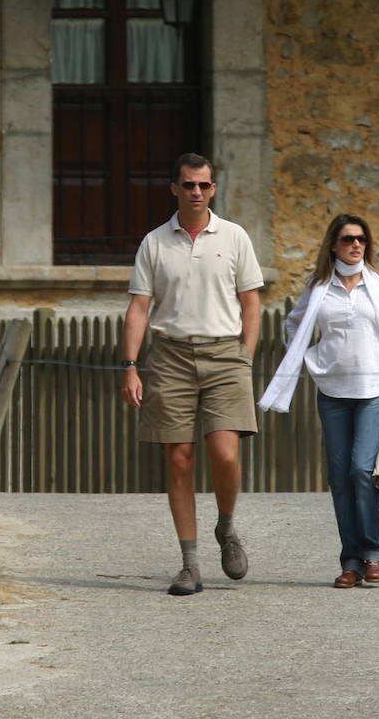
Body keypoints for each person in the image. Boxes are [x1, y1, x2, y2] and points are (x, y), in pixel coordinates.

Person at [121, 152, 264, 597]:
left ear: (213, 189)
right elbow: (139, 308)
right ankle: (189, 565)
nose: (196, 192)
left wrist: (245, 355)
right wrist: (129, 366)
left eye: (204, 185)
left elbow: (252, 304)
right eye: (188, 185)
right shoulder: (154, 242)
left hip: (226, 357)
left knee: (225, 455)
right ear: (175, 189)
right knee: (179, 459)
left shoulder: (235, 237)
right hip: (170, 358)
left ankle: (226, 526)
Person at [259, 214, 379, 588]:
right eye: (347, 239)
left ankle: (374, 553)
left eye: (361, 239)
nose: (355, 245)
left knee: (363, 470)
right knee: (340, 478)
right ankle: (351, 561)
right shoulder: (318, 287)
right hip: (332, 394)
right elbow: (294, 326)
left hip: (375, 391)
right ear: (334, 244)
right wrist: (314, 357)